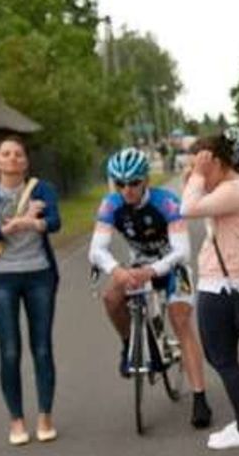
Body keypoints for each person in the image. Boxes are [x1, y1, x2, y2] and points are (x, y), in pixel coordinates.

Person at [88, 147, 213, 429]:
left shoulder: (166, 202)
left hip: (171, 266)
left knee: (180, 320)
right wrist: (117, 271)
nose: (127, 190)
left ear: (145, 179)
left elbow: (182, 251)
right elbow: (97, 249)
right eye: (120, 184)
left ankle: (200, 396)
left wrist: (152, 271)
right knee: (111, 298)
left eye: (133, 183)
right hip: (138, 266)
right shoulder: (110, 204)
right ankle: (128, 344)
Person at [0, 135, 62, 445]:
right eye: (6, 154)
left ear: (26, 162)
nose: (12, 158)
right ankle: (17, 421)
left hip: (39, 275)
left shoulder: (41, 189)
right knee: (9, 349)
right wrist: (13, 225)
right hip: (1, 278)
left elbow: (55, 222)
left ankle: (45, 416)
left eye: (18, 154)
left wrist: (35, 223)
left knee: (42, 347)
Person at [180, 133, 239, 449]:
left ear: (214, 161)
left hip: (222, 286)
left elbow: (187, 208)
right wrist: (197, 176)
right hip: (224, 283)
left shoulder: (234, 190)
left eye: (201, 163)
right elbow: (194, 199)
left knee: (223, 359)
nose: (197, 171)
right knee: (223, 357)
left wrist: (197, 177)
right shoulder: (233, 188)